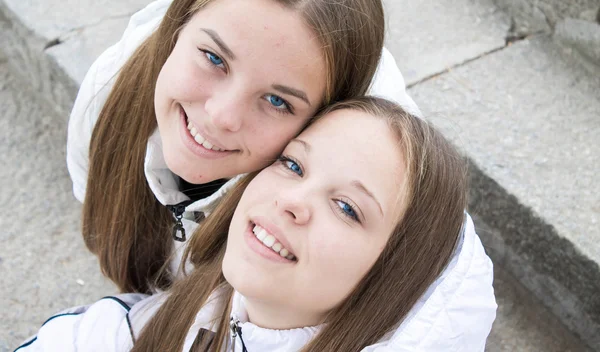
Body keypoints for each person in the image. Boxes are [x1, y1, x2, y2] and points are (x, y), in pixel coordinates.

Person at [66, 0, 421, 294]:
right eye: (213, 58)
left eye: (277, 101)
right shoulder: (113, 84)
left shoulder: (367, 190)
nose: (222, 116)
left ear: (322, 120)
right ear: (179, 23)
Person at [18, 98, 496, 351]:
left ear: (396, 272)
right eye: (293, 165)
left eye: (348, 208)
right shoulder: (204, 307)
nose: (293, 201)